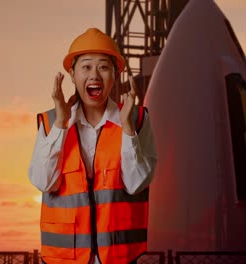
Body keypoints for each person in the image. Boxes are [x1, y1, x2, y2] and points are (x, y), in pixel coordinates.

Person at [28, 28, 157, 264]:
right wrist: (60, 124)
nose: (94, 75)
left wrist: (127, 129)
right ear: (72, 74)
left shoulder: (137, 120)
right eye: (86, 67)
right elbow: (43, 181)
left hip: (119, 258)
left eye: (104, 67)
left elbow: (136, 183)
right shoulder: (50, 123)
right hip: (64, 259)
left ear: (115, 75)